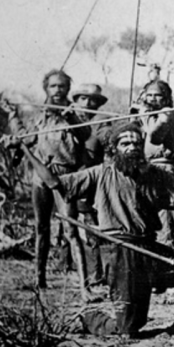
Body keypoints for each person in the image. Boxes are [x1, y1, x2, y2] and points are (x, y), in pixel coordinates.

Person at [6, 124, 174, 337]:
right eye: (125, 143)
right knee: (129, 328)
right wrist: (25, 152)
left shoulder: (154, 175)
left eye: (135, 142)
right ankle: (91, 319)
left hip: (149, 248)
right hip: (120, 252)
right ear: (114, 149)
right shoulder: (99, 174)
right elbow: (53, 182)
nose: (131, 147)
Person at [7, 69, 87, 289]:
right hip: (41, 176)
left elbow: (85, 134)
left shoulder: (75, 113)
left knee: (71, 229)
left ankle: (84, 287)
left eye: (62, 86)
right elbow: (27, 137)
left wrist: (69, 115)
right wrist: (13, 117)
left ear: (68, 88)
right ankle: (39, 281)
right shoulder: (40, 115)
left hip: (65, 177)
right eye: (53, 86)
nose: (58, 90)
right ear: (46, 88)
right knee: (41, 228)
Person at [139, 79, 174, 251]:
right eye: (149, 95)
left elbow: (155, 137)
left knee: (167, 223)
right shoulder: (152, 115)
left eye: (158, 96)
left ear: (166, 99)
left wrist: (144, 117)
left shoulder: (166, 113)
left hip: (165, 172)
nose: (153, 99)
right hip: (151, 170)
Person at [70, 83, 110, 287]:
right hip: (67, 179)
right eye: (84, 99)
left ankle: (96, 275)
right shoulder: (67, 118)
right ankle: (70, 270)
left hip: (91, 180)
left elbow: (103, 140)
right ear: (76, 101)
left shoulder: (101, 121)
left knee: (91, 227)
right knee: (67, 229)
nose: (88, 103)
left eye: (93, 100)